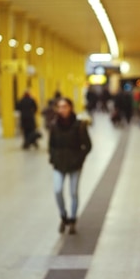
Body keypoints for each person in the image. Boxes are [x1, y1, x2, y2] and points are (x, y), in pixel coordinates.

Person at [48, 98, 92, 234]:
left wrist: (80, 159)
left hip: (75, 165)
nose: (62, 109)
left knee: (73, 192)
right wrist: (53, 158)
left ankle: (72, 219)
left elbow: (88, 145)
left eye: (65, 106)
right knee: (57, 190)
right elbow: (51, 145)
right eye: (60, 107)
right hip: (59, 164)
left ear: (71, 108)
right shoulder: (54, 125)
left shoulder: (79, 125)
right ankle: (63, 215)